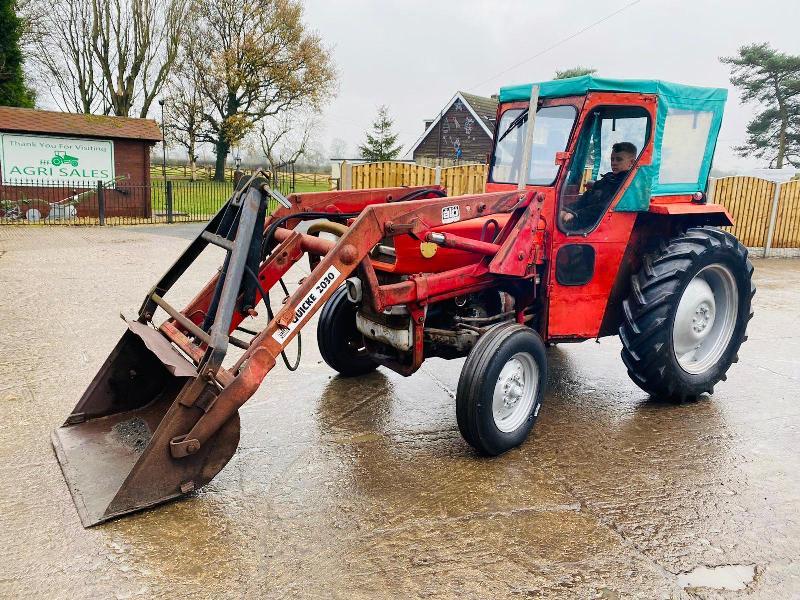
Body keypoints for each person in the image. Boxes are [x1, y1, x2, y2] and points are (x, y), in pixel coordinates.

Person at [561, 141, 637, 230]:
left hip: (599, 224)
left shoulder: (627, 185)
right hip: (586, 219)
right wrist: (567, 209)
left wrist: (575, 214)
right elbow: (586, 198)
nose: (614, 163)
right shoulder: (608, 178)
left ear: (632, 162)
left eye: (619, 159)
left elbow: (604, 206)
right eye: (612, 159)